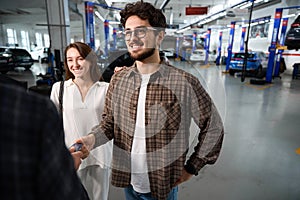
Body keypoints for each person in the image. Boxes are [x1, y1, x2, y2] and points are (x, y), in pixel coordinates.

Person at [76, 1, 224, 200]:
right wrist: (90, 140)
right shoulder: (119, 80)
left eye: (140, 31)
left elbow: (213, 127)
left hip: (163, 185)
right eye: (128, 32)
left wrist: (191, 167)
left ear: (159, 36)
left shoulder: (183, 83)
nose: (132, 38)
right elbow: (110, 124)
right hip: (129, 181)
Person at [0, 83, 89, 200]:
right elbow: (64, 192)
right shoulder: (34, 111)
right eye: (70, 62)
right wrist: (63, 165)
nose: (75, 65)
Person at [50, 42, 112, 200]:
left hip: (101, 151)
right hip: (72, 152)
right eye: (70, 60)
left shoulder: (106, 88)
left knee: (101, 197)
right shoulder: (60, 88)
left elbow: (112, 122)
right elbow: (52, 124)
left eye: (80, 58)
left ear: (90, 60)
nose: (75, 64)